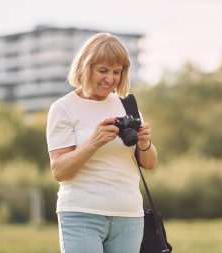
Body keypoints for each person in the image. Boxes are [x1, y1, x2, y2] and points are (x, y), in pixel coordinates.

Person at [46, 33, 157, 253]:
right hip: (81, 214)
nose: (110, 79)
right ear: (85, 67)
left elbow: (149, 163)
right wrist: (93, 142)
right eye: (103, 70)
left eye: (117, 72)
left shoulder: (128, 104)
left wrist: (145, 142)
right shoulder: (63, 108)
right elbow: (59, 171)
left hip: (128, 216)